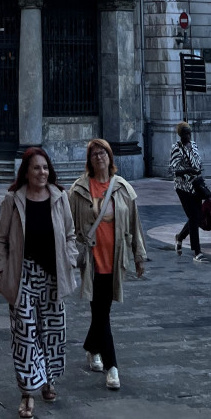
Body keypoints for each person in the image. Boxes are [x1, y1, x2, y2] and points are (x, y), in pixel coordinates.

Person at [0, 147, 77, 419]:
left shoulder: (60, 197)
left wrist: (70, 258)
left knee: (52, 331)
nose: (42, 173)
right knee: (26, 335)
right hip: (23, 276)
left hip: (53, 276)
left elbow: (70, 234)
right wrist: (3, 270)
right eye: (36, 168)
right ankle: (28, 392)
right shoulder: (13, 200)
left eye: (45, 168)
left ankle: (49, 379)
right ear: (26, 172)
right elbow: (0, 238)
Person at [68, 139, 147, 392]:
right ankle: (112, 367)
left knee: (102, 311)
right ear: (89, 160)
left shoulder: (123, 188)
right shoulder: (79, 189)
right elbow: (68, 226)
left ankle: (92, 349)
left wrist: (139, 256)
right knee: (101, 312)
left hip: (116, 257)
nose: (99, 157)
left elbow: (135, 224)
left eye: (103, 153)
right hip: (91, 259)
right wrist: (67, 255)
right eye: (94, 154)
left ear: (110, 157)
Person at [169, 122, 205, 260]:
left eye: (189, 132)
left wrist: (198, 171)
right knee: (194, 216)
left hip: (196, 185)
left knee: (196, 216)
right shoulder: (176, 148)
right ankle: (197, 251)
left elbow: (198, 162)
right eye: (185, 133)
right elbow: (173, 170)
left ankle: (180, 237)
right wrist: (187, 170)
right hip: (183, 187)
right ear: (180, 134)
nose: (188, 136)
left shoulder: (194, 145)